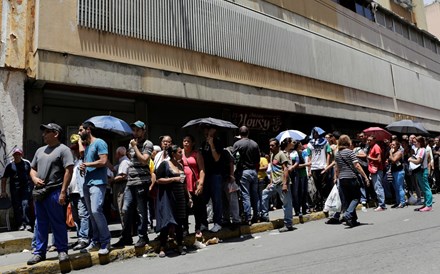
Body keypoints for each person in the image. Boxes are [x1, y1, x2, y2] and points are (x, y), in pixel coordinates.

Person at [27, 123, 74, 265]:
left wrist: (63, 192)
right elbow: (32, 168)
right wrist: (34, 178)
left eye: (47, 132)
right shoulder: (40, 150)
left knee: (57, 222)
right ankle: (39, 253)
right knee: (40, 223)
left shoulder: (63, 150)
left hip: (55, 191)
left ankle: (62, 251)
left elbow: (69, 170)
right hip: (40, 192)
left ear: (56, 134)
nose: (43, 135)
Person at [113, 121, 153, 248]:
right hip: (131, 181)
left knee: (141, 211)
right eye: (133, 130)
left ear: (143, 131)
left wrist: (135, 147)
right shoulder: (131, 145)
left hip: (142, 182)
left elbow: (144, 161)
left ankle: (143, 237)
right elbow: (132, 161)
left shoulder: (147, 144)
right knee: (125, 209)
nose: (135, 132)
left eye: (137, 130)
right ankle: (126, 237)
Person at [78, 122, 111, 255]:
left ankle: (105, 241)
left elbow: (103, 161)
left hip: (98, 182)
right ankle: (95, 241)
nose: (79, 133)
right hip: (87, 182)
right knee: (91, 214)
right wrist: (83, 168)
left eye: (81, 130)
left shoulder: (100, 143)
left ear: (88, 130)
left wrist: (87, 164)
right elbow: (88, 164)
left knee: (96, 210)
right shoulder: (87, 147)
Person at [155, 145, 188, 257]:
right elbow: (158, 179)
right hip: (168, 198)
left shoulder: (180, 165)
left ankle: (179, 244)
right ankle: (162, 247)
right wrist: (174, 179)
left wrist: (188, 196)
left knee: (179, 222)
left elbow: (184, 183)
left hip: (180, 197)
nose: (181, 154)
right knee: (167, 221)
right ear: (173, 154)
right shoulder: (165, 164)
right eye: (179, 152)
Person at [334, 135, 370, 227]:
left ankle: (353, 220)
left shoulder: (337, 154)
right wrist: (365, 177)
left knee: (348, 199)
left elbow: (337, 168)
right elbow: (357, 166)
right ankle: (348, 213)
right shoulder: (350, 152)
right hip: (351, 177)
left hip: (342, 178)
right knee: (356, 197)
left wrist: (336, 177)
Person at [261, 138, 294, 232]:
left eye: (273, 145)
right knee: (264, 194)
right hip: (274, 183)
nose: (270, 147)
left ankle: (288, 224)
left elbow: (285, 169)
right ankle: (264, 216)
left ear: (277, 146)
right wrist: (270, 182)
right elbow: (272, 170)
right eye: (270, 145)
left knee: (286, 204)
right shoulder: (272, 155)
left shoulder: (281, 154)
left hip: (282, 183)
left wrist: (285, 184)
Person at [231, 126, 261, 224]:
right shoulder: (255, 144)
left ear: (240, 134)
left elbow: (232, 158)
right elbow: (258, 160)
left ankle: (247, 217)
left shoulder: (237, 144)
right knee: (255, 195)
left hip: (244, 172)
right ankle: (257, 215)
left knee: (245, 195)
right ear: (248, 133)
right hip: (253, 171)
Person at [200, 125, 226, 233]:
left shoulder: (218, 142)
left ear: (213, 130)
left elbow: (216, 158)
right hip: (206, 174)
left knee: (217, 200)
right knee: (203, 199)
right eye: (204, 129)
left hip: (216, 174)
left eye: (207, 128)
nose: (205, 131)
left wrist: (211, 145)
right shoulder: (203, 143)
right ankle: (203, 224)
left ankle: (217, 223)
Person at [1, 147, 33, 231]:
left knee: (25, 205)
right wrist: (3, 191)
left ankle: (27, 223)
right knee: (17, 207)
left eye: (18, 154)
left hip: (25, 189)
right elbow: (4, 179)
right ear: (13, 155)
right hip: (15, 190)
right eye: (15, 154)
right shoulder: (10, 166)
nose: (17, 156)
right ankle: (20, 224)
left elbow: (32, 175)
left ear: (21, 155)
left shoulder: (26, 164)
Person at [182, 134, 207, 237]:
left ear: (193, 143)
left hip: (194, 183)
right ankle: (185, 229)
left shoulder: (197, 154)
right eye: (184, 141)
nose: (186, 143)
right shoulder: (180, 153)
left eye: (188, 141)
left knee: (197, 207)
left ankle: (198, 228)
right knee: (184, 208)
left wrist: (201, 183)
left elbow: (202, 169)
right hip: (183, 184)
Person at [67, 134, 90, 251]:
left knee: (83, 215)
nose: (74, 151)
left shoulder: (84, 160)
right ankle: (80, 236)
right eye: (73, 149)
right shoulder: (75, 162)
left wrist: (81, 142)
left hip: (80, 192)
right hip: (72, 193)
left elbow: (83, 153)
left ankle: (84, 238)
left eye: (76, 148)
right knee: (76, 217)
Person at [307, 127, 332, 211]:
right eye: (314, 133)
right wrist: (309, 169)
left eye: (317, 133)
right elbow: (309, 157)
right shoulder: (310, 144)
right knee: (316, 186)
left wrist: (327, 165)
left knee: (324, 185)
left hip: (323, 166)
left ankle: (324, 202)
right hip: (314, 167)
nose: (315, 134)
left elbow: (328, 154)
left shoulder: (325, 142)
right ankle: (318, 203)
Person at [409, 136, 433, 212]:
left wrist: (410, 159)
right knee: (423, 188)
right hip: (420, 171)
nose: (414, 143)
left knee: (426, 188)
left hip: (422, 171)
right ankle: (426, 204)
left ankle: (429, 205)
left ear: (420, 142)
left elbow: (418, 161)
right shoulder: (419, 149)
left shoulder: (422, 150)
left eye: (415, 142)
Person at [367, 135, 386, 212]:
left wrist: (370, 158)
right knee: (376, 187)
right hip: (373, 169)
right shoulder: (371, 147)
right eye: (368, 140)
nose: (368, 141)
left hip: (377, 170)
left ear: (374, 140)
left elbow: (379, 159)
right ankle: (380, 204)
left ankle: (382, 205)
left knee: (378, 187)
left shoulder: (376, 147)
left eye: (370, 140)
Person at [112, 146, 130, 226]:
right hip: (123, 185)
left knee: (122, 207)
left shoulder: (124, 162)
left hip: (123, 186)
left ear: (118, 154)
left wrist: (112, 180)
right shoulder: (121, 162)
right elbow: (114, 169)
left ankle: (126, 229)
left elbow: (122, 175)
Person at [388, 140, 406, 208]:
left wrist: (390, 153)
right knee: (395, 188)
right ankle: (398, 202)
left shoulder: (399, 152)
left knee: (400, 187)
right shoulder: (393, 152)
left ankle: (402, 202)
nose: (392, 146)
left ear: (397, 146)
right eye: (391, 144)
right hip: (393, 171)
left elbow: (394, 160)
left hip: (399, 171)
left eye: (393, 145)